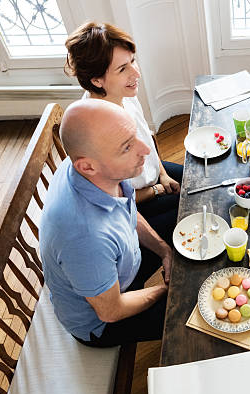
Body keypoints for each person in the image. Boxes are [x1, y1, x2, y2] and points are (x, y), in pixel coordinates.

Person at [40, 99, 172, 348]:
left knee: (183, 215)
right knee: (194, 309)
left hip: (120, 266)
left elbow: (126, 212)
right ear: (87, 166)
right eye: (126, 147)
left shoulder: (97, 170)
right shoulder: (84, 237)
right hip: (104, 321)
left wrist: (164, 250)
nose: (145, 149)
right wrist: (169, 291)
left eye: (135, 137)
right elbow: (111, 311)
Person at [64, 21, 181, 244]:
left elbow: (147, 140)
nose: (136, 73)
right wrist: (157, 189)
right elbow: (114, 199)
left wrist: (163, 174)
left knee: (202, 185)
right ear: (96, 80)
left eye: (132, 61)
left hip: (153, 177)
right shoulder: (94, 129)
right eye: (122, 69)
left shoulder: (125, 94)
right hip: (135, 205)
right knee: (194, 210)